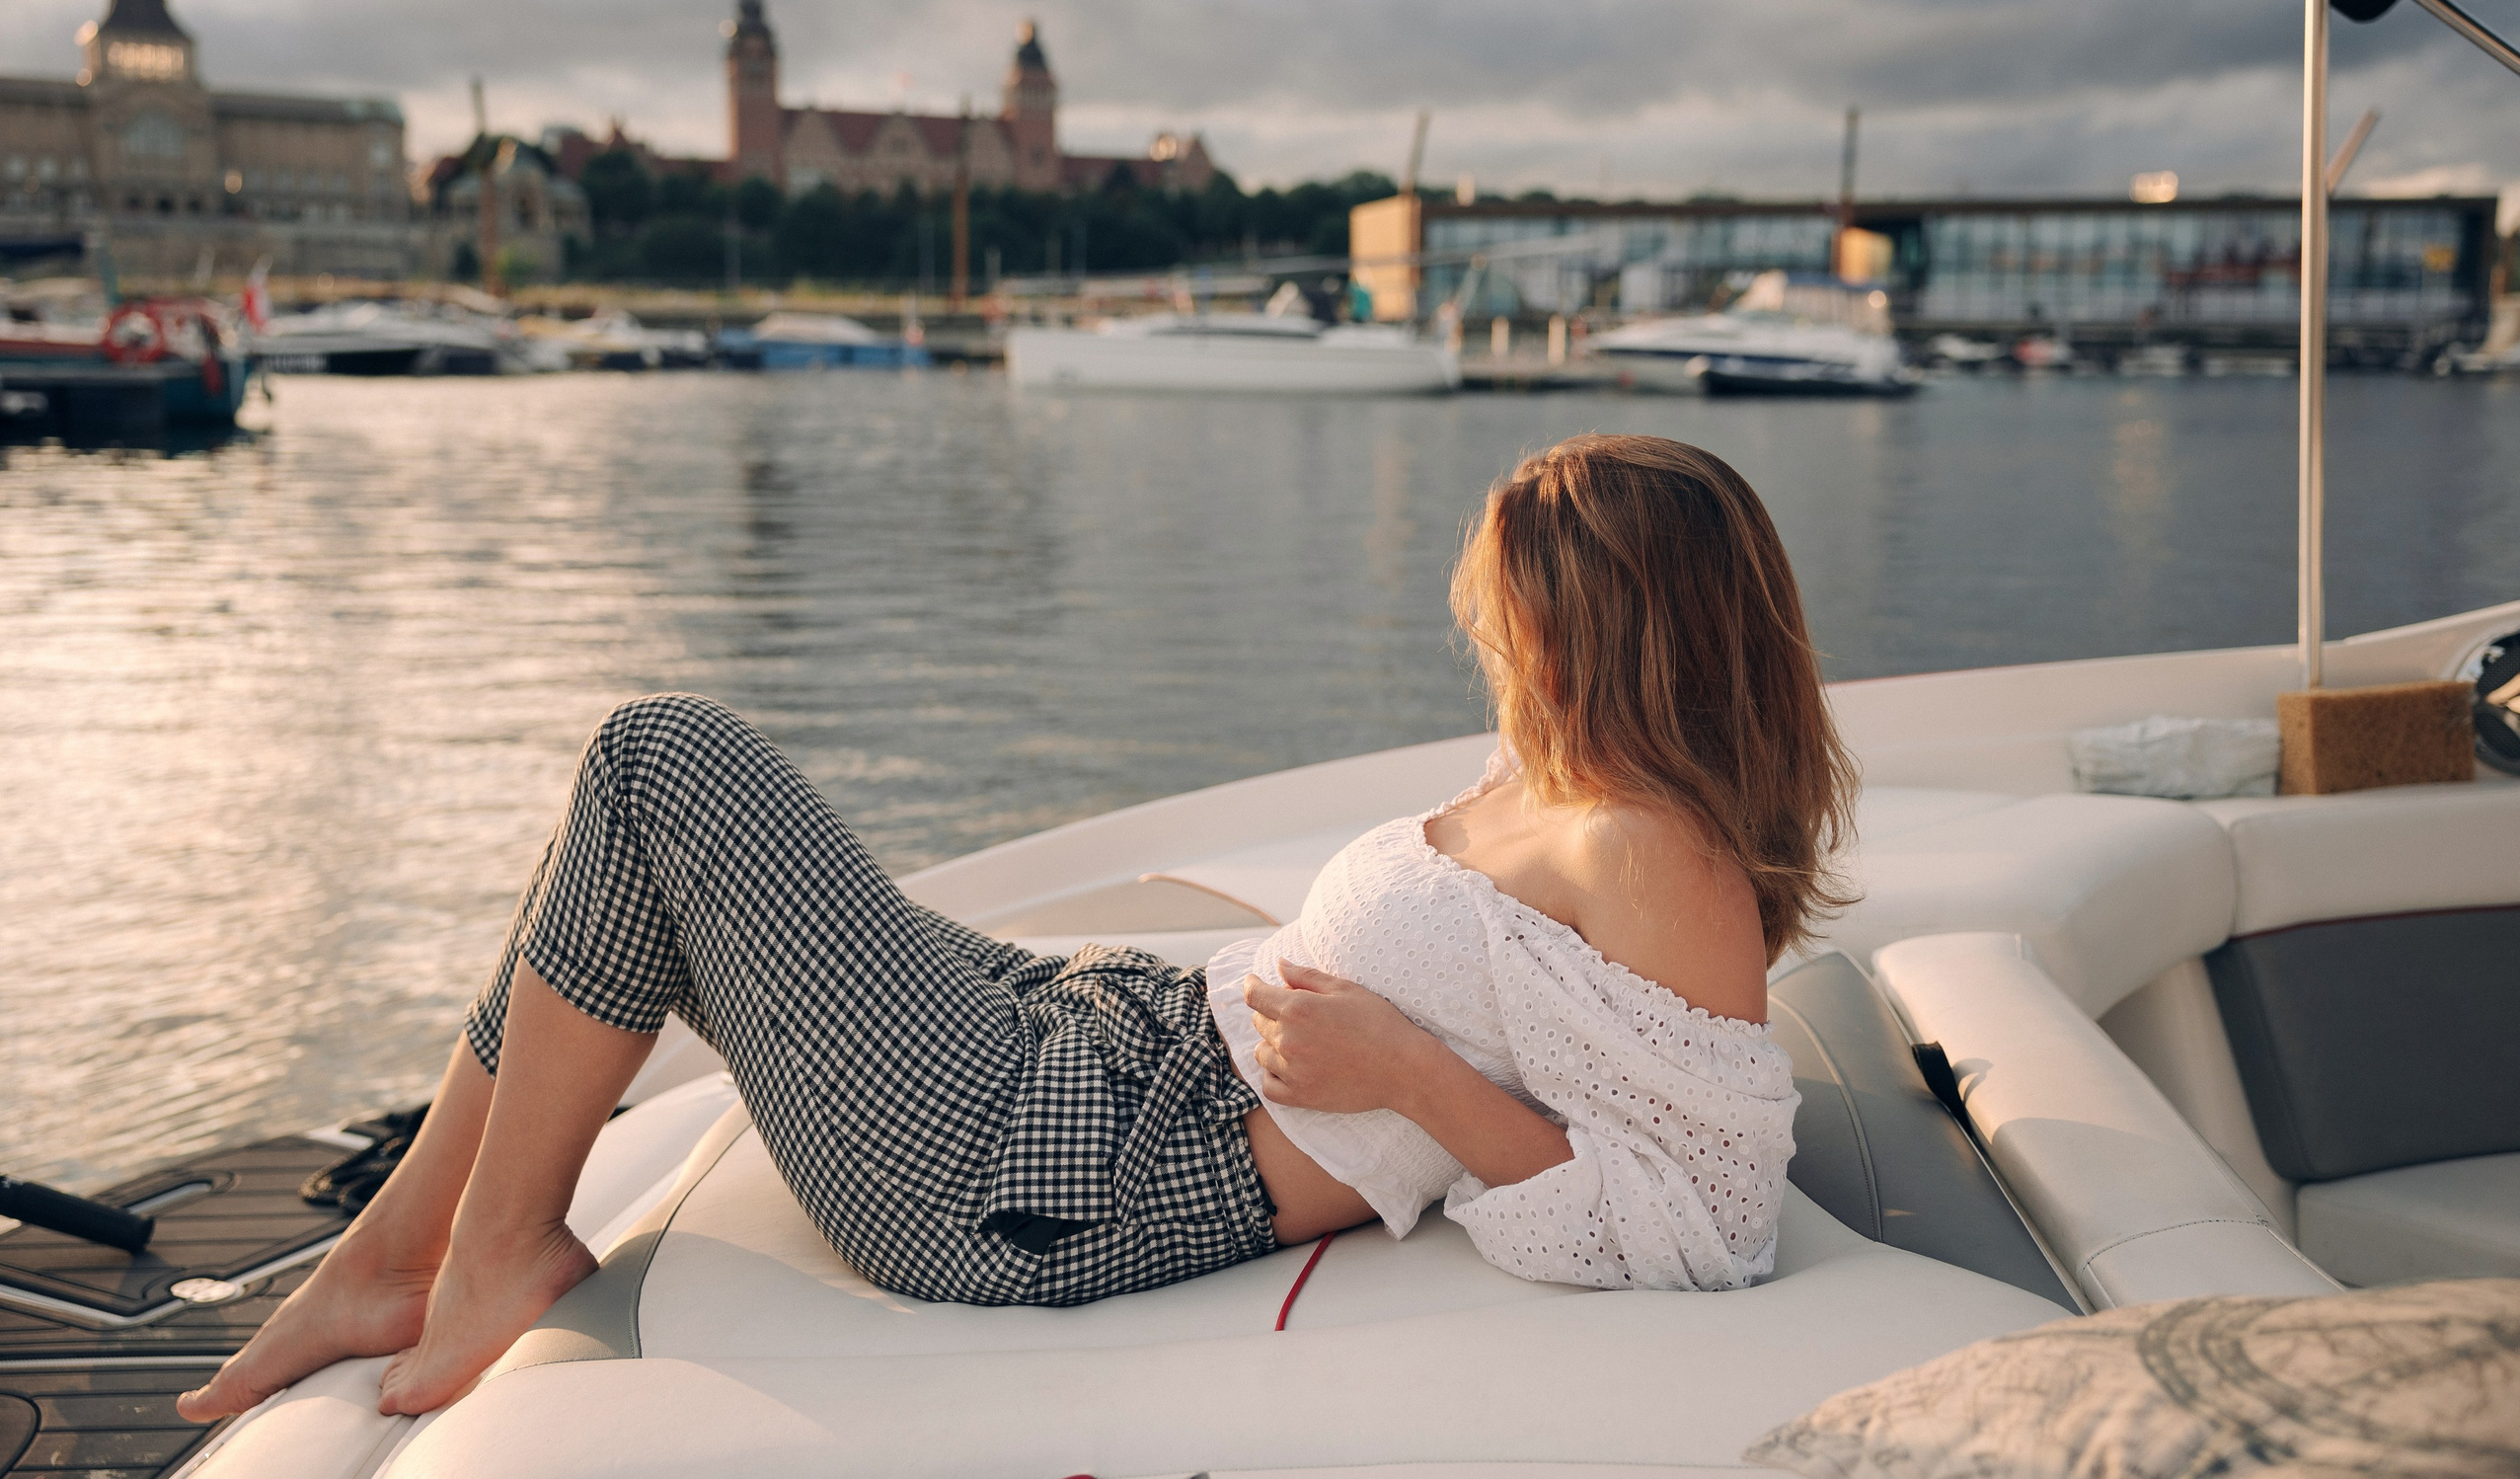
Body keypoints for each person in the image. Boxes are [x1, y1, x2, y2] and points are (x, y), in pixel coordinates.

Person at [177, 432, 1853, 1425]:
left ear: (1609, 633)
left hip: (1052, 1177)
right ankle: (410, 1251)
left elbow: (1709, 1221)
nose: (1491, 647)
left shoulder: (1652, 853)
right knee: (626, 843)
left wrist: (1405, 1073)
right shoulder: (1568, 775)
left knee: (656, 762)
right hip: (1095, 1055)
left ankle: (475, 1257)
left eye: (1516, 621)